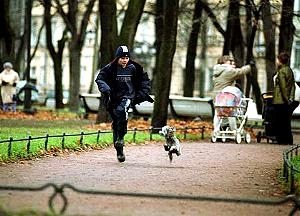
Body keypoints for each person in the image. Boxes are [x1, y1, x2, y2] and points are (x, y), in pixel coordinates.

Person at [95, 45, 153, 162]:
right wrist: (105, 88)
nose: (124, 60)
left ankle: (121, 138)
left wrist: (142, 93)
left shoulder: (134, 67)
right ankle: (119, 148)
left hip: (128, 97)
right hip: (114, 99)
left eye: (126, 58)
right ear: (117, 58)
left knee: (122, 110)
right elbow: (100, 79)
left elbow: (144, 81)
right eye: (122, 58)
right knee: (117, 123)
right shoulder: (110, 68)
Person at [212, 55, 253, 134]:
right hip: (226, 97)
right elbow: (240, 72)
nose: (232, 63)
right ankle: (234, 131)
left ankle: (216, 131)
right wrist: (249, 66)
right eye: (230, 61)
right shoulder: (227, 71)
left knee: (217, 114)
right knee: (231, 114)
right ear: (224, 62)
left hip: (217, 96)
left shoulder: (218, 70)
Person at [272, 52, 298, 145]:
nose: (276, 61)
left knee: (279, 121)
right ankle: (288, 140)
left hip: (280, 100)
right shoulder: (289, 70)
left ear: (280, 61)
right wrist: (291, 98)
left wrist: (287, 99)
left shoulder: (282, 71)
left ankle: (281, 140)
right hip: (285, 100)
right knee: (286, 121)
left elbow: (283, 87)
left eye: (277, 59)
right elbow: (292, 86)